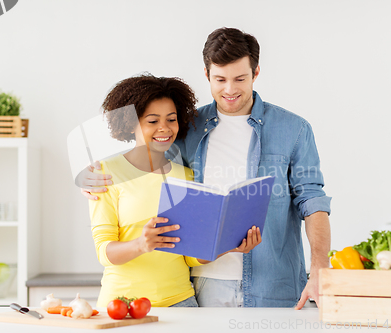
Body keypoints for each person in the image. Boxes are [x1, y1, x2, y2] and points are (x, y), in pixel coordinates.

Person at [82, 28, 331, 309]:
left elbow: (312, 200)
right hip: (203, 285)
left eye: (240, 78)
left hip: (274, 281)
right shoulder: (188, 127)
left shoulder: (293, 129)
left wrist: (320, 264)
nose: (230, 89)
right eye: (220, 79)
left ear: (256, 72)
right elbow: (144, 155)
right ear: (206, 74)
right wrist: (88, 176)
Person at [89, 73, 262, 308]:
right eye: (152, 121)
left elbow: (190, 257)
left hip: (182, 302)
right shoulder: (104, 174)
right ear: (131, 124)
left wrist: (228, 244)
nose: (164, 128)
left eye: (171, 119)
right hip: (123, 304)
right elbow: (104, 252)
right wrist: (141, 244)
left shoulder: (187, 176)